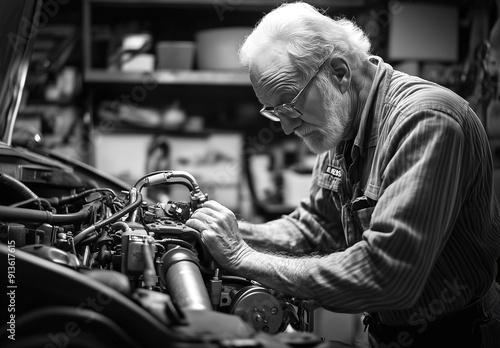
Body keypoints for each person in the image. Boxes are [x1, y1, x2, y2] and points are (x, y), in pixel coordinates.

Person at [186, 2, 500, 347]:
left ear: (339, 71)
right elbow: (316, 227)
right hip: (388, 334)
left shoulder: (427, 121)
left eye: (290, 104)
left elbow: (388, 275)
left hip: (458, 336)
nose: (288, 127)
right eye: (275, 113)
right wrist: (228, 232)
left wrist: (244, 258)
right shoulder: (339, 122)